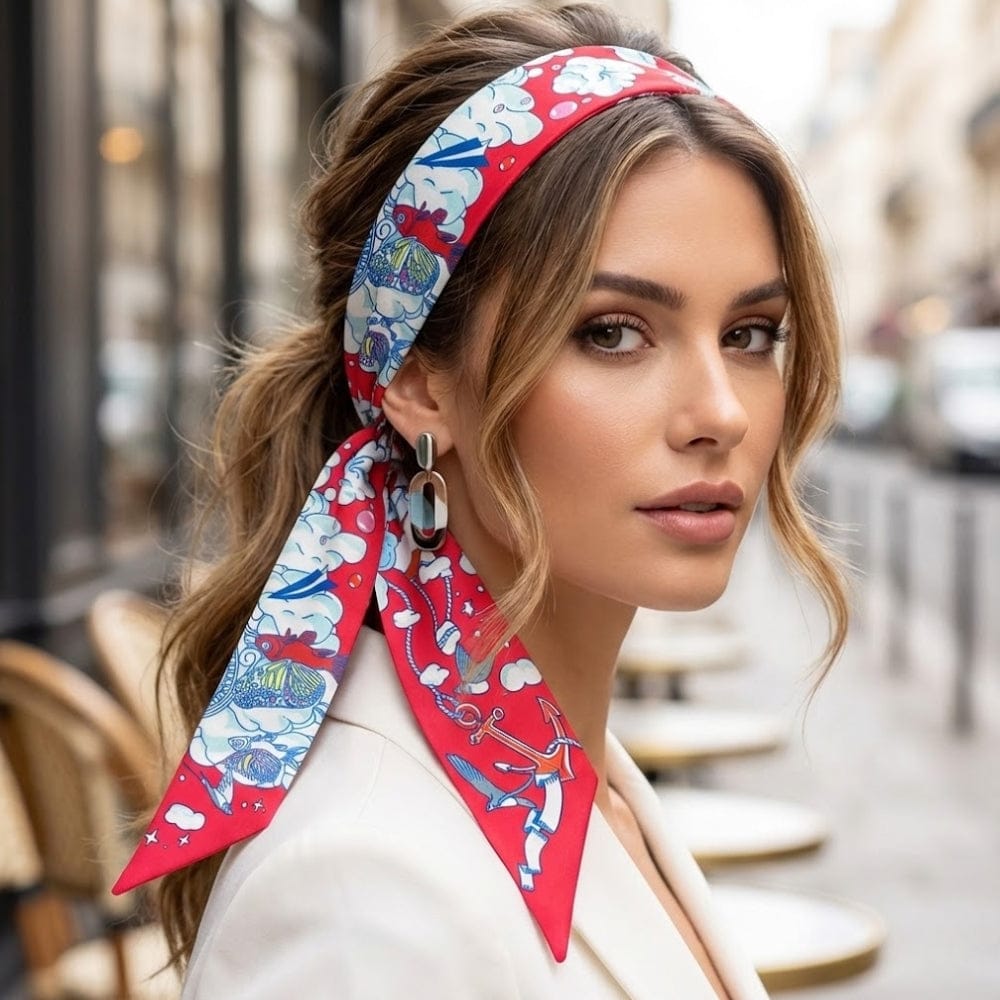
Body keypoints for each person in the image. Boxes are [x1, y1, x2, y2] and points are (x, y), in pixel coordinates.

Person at [115, 3, 849, 997]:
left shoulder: (558, 763)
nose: (719, 412)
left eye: (750, 333)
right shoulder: (363, 895)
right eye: (613, 332)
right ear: (417, 378)